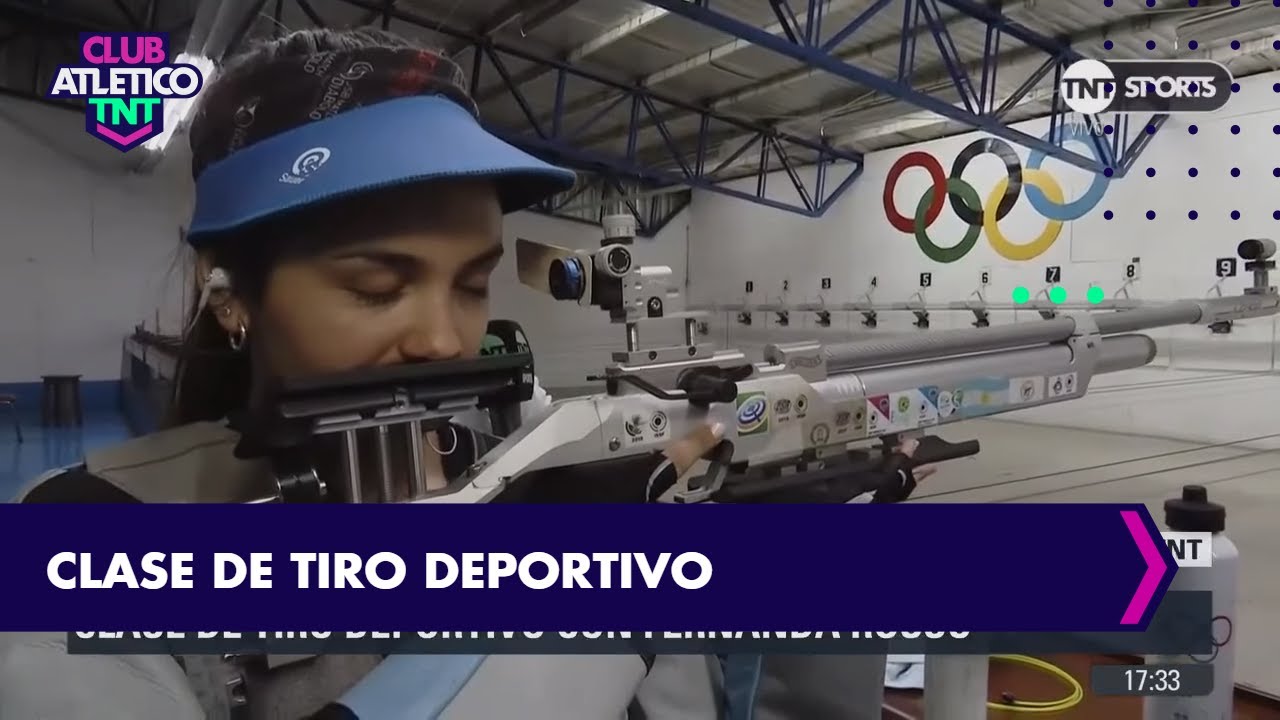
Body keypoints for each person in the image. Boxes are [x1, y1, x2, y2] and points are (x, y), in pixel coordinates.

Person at [1, 27, 934, 720]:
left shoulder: (544, 452)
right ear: (231, 293)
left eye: (474, 283)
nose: (443, 338)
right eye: (376, 287)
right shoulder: (90, 529)